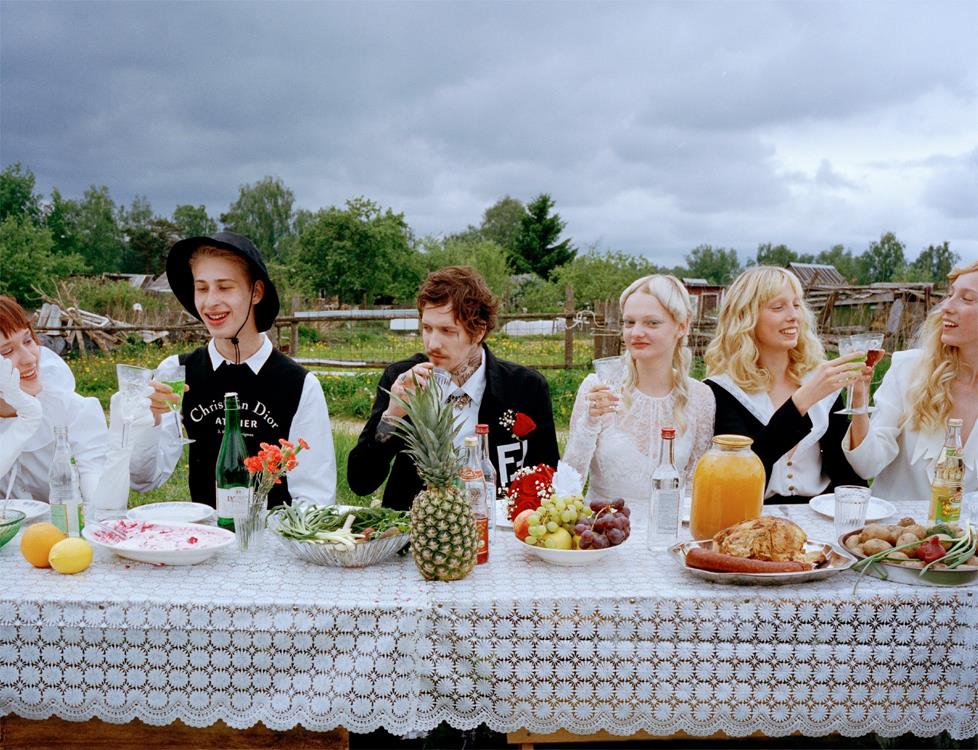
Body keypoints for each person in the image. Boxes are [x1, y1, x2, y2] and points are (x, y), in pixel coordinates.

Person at [131, 232, 335, 507]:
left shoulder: (299, 385)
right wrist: (150, 420)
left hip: (275, 533)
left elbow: (316, 498)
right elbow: (144, 480)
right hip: (203, 533)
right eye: (202, 288)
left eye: (225, 287)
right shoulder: (177, 371)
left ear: (256, 292)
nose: (210, 302)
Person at [347, 266, 559, 510]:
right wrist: (392, 415)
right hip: (416, 524)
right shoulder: (403, 379)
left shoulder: (526, 386)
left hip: (497, 524)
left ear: (478, 331)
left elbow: (548, 476)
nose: (432, 343)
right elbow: (360, 482)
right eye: (427, 328)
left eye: (447, 331)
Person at [703, 266, 867, 504]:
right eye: (778, 307)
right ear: (746, 317)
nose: (794, 316)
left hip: (819, 512)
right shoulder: (722, 390)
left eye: (797, 305)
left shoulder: (820, 379)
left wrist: (860, 401)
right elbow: (741, 473)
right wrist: (800, 402)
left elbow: (845, 471)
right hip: (755, 515)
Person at [563, 275, 715, 505]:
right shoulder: (599, 387)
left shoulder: (701, 397)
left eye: (652, 323)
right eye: (629, 322)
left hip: (669, 526)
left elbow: (694, 489)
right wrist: (590, 422)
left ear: (682, 326)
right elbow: (567, 486)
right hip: (602, 524)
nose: (636, 333)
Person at [843, 260, 978, 502]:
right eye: (950, 295)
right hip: (895, 525)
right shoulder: (907, 369)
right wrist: (859, 401)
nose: (946, 307)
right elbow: (867, 465)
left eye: (967, 299)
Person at [0, 295, 108, 502]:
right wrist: (24, 424)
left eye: (28, 340)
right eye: (7, 351)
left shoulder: (71, 410)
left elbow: (99, 498)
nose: (29, 358)